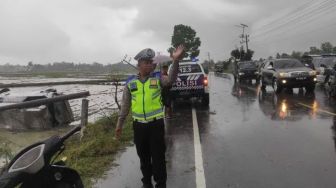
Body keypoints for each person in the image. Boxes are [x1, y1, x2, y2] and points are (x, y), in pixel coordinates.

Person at [115, 45, 184, 188]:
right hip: (139, 126)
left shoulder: (159, 78)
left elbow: (171, 80)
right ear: (138, 65)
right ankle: (146, 182)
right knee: (143, 157)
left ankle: (161, 184)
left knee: (158, 157)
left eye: (151, 63)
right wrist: (119, 125)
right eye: (146, 62)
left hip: (156, 126)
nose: (150, 65)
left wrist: (175, 61)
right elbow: (125, 106)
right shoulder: (130, 82)